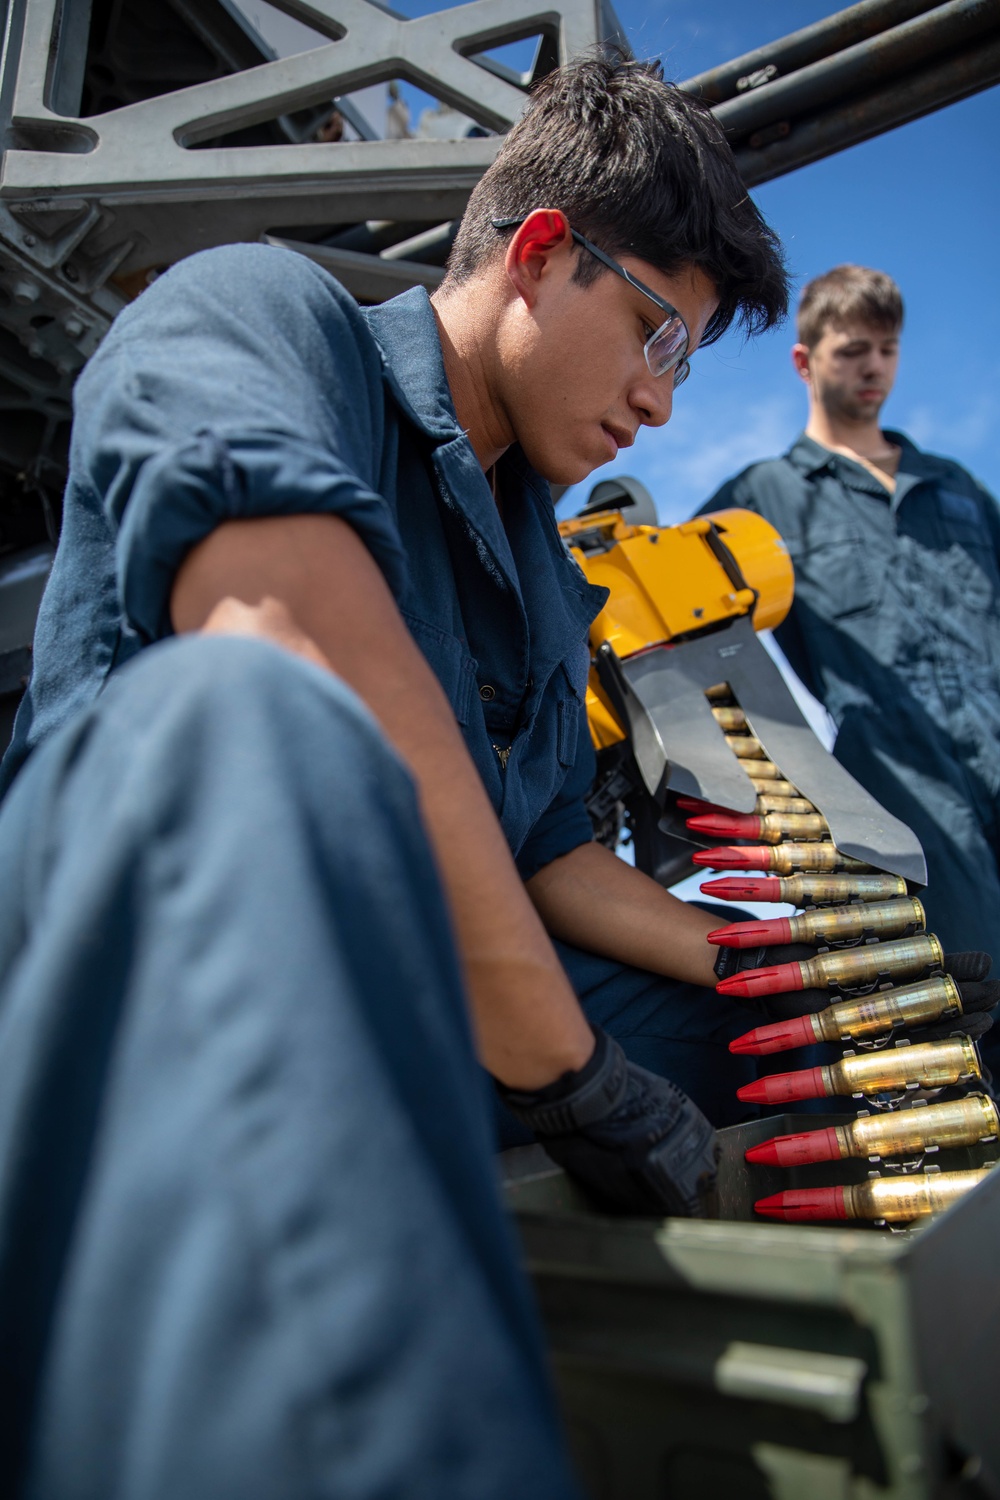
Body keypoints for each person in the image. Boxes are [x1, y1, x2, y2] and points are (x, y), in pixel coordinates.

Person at [0, 56, 793, 1497]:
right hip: (148, 969)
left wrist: (766, 968)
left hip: (417, 988)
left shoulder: (544, 575)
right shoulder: (262, 314)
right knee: (258, 721)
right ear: (542, 254)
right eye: (654, 336)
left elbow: (550, 850)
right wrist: (571, 1072)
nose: (662, 405)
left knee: (809, 1040)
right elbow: (284, 644)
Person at [702, 264, 1000, 1065]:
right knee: (971, 1006)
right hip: (900, 792)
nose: (874, 369)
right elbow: (680, 619)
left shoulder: (958, 488)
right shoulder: (760, 495)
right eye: (852, 351)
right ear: (805, 361)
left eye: (888, 351)